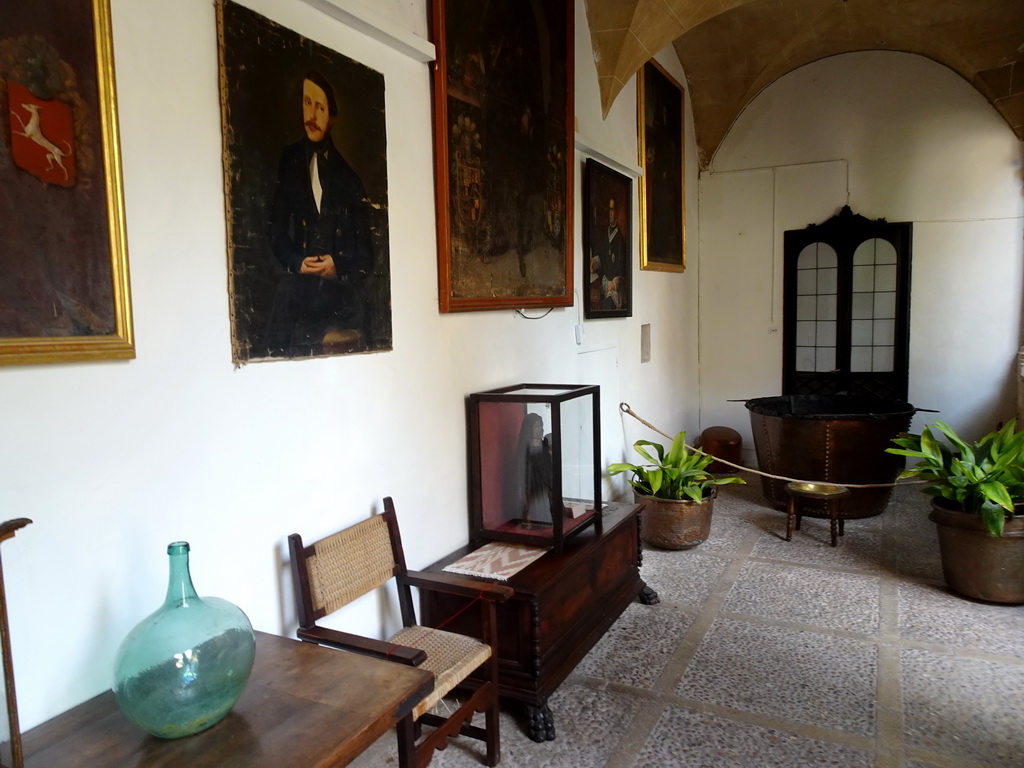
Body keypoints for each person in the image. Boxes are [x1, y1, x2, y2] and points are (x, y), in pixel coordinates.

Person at [265, 70, 374, 354]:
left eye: (320, 107)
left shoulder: (350, 180)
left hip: (340, 294)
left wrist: (336, 267)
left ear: (333, 118)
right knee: (285, 294)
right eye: (307, 103)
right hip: (300, 287)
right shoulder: (289, 163)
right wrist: (296, 261)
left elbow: (366, 257)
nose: (311, 114)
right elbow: (276, 232)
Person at [589, 197, 627, 310]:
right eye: (610, 211)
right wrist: (594, 264)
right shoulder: (605, 234)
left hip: (616, 283)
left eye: (613, 210)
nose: (611, 213)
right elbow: (602, 256)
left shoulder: (621, 237)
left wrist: (614, 281)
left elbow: (621, 261)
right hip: (606, 281)